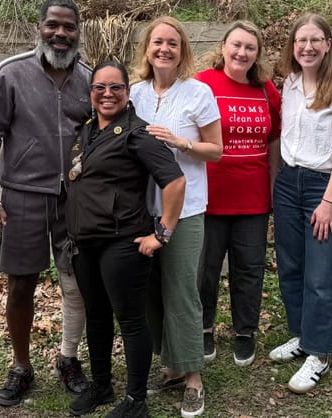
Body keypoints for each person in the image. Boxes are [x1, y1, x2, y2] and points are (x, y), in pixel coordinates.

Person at [0, 0, 90, 406]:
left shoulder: (90, 79)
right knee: (21, 284)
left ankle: (69, 358)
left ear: (78, 32)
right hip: (21, 196)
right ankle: (21, 365)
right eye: (52, 25)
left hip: (73, 199)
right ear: (39, 28)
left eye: (69, 27)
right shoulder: (11, 72)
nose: (60, 34)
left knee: (78, 283)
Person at [65, 60, 186, 418]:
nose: (107, 94)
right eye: (99, 87)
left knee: (131, 320)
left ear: (127, 92)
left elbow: (175, 181)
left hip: (123, 243)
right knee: (97, 317)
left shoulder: (138, 133)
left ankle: (136, 401)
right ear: (91, 93)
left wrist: (161, 234)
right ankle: (101, 384)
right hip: (85, 242)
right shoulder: (86, 130)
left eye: (115, 87)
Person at [129, 16, 223, 418]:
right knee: (150, 290)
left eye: (172, 43)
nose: (164, 49)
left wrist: (182, 142)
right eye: (157, 43)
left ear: (182, 49)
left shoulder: (198, 93)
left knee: (182, 289)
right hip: (142, 209)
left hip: (186, 209)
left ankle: (194, 378)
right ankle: (169, 363)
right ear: (147, 49)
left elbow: (216, 150)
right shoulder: (134, 93)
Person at [268, 13, 332, 394]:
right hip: (289, 181)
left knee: (321, 274)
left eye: (315, 40)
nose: (307, 47)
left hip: (324, 186)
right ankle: (302, 337)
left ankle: (320, 354)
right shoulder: (289, 84)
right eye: (300, 40)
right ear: (293, 47)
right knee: (291, 266)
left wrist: (328, 201)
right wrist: (278, 182)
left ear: (328, 45)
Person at [194, 20, 281, 366]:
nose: (242, 53)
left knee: (249, 268)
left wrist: (273, 186)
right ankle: (203, 329)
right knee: (206, 269)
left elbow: (273, 139)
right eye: (237, 45)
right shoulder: (203, 84)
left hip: (253, 197)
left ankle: (245, 332)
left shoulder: (265, 90)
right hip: (210, 195)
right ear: (224, 47)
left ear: (257, 54)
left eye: (250, 48)